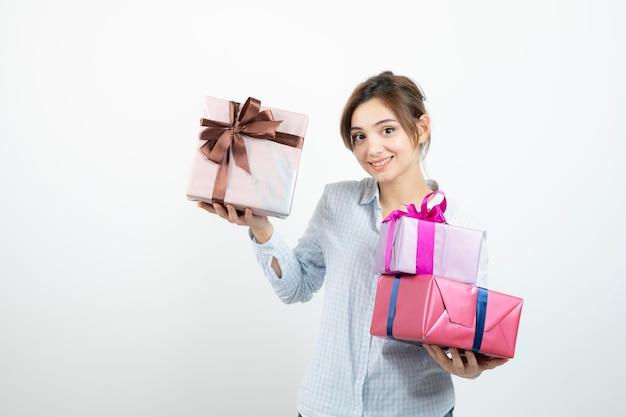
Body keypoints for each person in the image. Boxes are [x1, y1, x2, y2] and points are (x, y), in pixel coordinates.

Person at [198, 71, 509, 417]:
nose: (371, 148)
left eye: (387, 130)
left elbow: (470, 331)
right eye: (359, 136)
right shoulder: (338, 202)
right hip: (326, 405)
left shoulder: (462, 231)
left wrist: (472, 367)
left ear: (421, 128)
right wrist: (261, 228)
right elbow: (296, 287)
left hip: (416, 409)